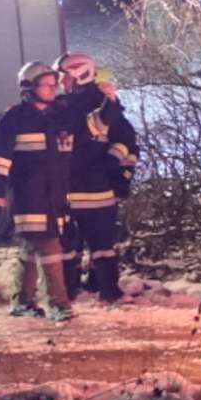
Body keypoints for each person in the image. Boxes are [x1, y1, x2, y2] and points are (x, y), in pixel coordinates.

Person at [0, 60, 73, 320]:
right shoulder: (15, 118)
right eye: (46, 85)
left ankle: (22, 302)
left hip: (54, 194)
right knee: (49, 248)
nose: (52, 89)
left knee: (30, 248)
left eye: (53, 84)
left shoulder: (58, 115)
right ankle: (58, 304)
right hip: (28, 195)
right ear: (28, 88)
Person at [56, 51, 138, 305]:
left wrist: (113, 167)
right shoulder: (71, 104)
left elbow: (126, 141)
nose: (61, 83)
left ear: (79, 74)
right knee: (74, 246)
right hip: (76, 189)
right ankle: (92, 289)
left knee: (95, 247)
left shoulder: (98, 105)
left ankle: (97, 289)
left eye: (64, 77)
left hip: (91, 190)